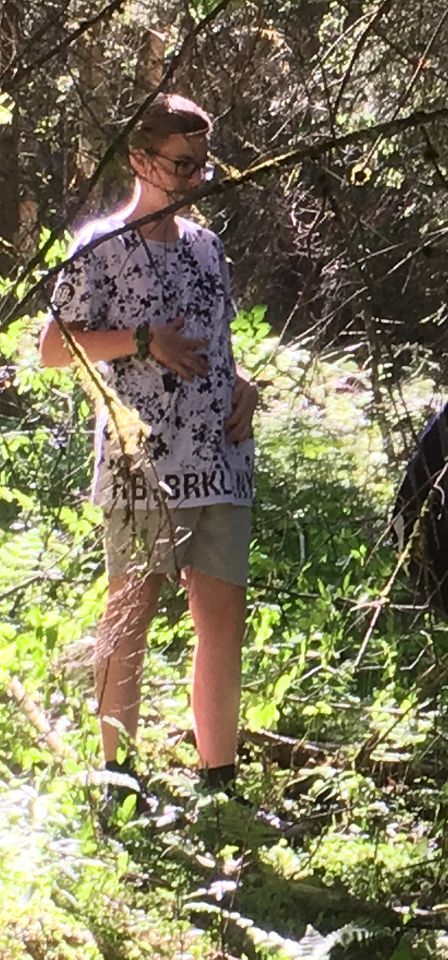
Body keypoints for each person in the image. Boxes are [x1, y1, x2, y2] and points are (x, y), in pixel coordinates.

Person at [38, 94, 258, 799]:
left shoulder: (206, 247)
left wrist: (246, 388)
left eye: (202, 166)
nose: (195, 178)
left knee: (222, 620)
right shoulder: (101, 245)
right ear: (139, 159)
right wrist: (140, 341)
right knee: (130, 613)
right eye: (181, 164)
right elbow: (53, 347)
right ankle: (118, 776)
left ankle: (218, 780)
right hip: (143, 466)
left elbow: (218, 343)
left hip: (220, 460)